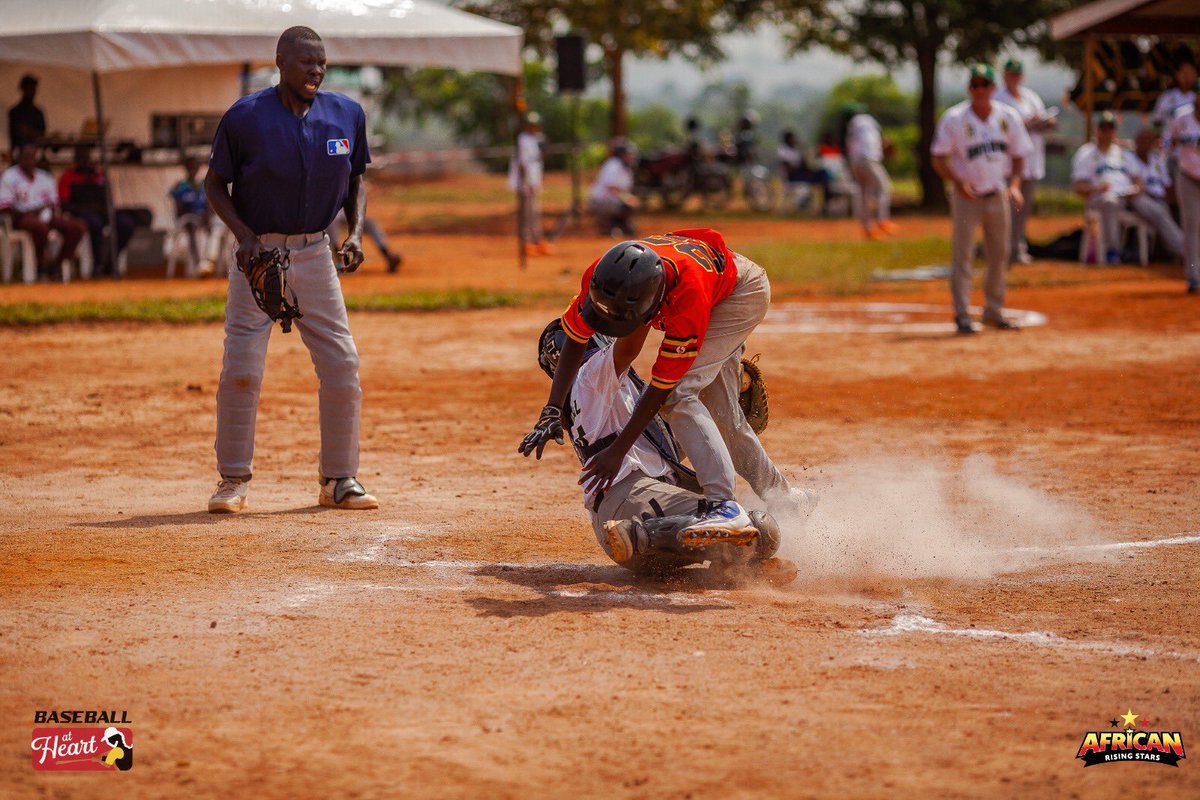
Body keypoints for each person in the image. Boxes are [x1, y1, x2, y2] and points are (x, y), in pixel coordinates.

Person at [519, 229, 816, 535]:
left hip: (736, 294)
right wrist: (552, 408)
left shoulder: (688, 298)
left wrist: (619, 450)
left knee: (679, 394)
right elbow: (576, 335)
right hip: (708, 279)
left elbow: (663, 386)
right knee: (719, 415)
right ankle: (784, 499)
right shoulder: (606, 278)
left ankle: (722, 505)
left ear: (654, 303)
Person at [203, 25, 378, 513]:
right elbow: (214, 184)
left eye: (321, 63)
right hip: (257, 258)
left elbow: (356, 180)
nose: (316, 70)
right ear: (280, 62)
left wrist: (357, 232)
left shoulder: (346, 114)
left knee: (342, 365)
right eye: (306, 62)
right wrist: (243, 237)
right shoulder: (245, 118)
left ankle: (339, 479)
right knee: (241, 369)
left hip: (315, 255)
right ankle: (232, 480)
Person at [534, 319, 798, 582]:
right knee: (756, 525)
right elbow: (628, 348)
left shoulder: (596, 393)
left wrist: (723, 406)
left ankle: (729, 567)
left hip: (633, 511)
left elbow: (673, 436)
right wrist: (646, 300)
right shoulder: (591, 374)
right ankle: (641, 535)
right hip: (635, 504)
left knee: (752, 535)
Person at [932, 64, 1033, 335]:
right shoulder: (955, 118)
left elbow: (1020, 154)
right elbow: (937, 156)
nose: (979, 90)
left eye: (984, 85)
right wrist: (957, 181)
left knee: (1000, 254)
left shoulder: (1007, 117)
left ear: (993, 88)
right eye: (975, 85)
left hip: (997, 193)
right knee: (963, 254)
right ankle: (963, 315)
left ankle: (993, 311)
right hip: (967, 196)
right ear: (969, 89)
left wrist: (1014, 185)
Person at [994, 58, 1057, 265]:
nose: (1014, 77)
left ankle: (1018, 248)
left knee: (1023, 209)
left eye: (1017, 73)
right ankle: (1003, 249)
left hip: (1032, 161)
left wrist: (1045, 122)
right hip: (1009, 164)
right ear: (1005, 75)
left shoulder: (1030, 97)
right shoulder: (998, 98)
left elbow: (1042, 118)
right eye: (1011, 73)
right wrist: (1025, 123)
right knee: (1007, 210)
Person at [0, 144, 86, 280]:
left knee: (78, 227)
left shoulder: (45, 177)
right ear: (19, 158)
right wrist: (30, 212)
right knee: (39, 227)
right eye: (26, 157)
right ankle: (40, 264)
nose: (29, 161)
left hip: (46, 217)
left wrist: (46, 212)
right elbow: (5, 207)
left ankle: (58, 264)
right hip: (21, 218)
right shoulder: (9, 177)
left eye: (32, 157)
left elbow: (54, 204)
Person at [1071, 111, 1143, 265]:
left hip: (1126, 198)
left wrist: (1136, 189)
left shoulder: (1123, 153)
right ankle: (1113, 251)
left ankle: (1153, 250)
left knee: (1154, 206)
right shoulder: (1086, 153)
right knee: (1110, 201)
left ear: (1115, 131)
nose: (1106, 132)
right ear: (1097, 130)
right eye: (1103, 127)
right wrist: (1096, 188)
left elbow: (1138, 179)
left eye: (1110, 128)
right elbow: (1078, 186)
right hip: (1098, 200)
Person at [58, 144, 137, 277]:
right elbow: (64, 204)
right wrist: (86, 208)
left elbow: (109, 200)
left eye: (86, 158)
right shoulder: (68, 176)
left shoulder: (99, 176)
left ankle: (111, 260)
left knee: (126, 223)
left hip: (102, 212)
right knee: (95, 223)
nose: (84, 161)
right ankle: (97, 264)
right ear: (75, 159)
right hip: (80, 213)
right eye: (81, 158)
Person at [1129, 128, 1184, 262]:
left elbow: (1167, 186)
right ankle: (1186, 251)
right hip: (1138, 198)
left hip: (1160, 200)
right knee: (1160, 211)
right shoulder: (1128, 158)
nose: (1144, 143)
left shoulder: (1157, 161)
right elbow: (1137, 185)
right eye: (1142, 139)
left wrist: (1176, 201)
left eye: (1148, 140)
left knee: (1173, 209)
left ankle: (1169, 254)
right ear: (1136, 141)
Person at [843, 103, 896, 239]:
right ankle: (882, 220)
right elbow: (876, 139)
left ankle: (868, 228)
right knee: (883, 187)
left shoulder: (850, 127)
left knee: (866, 194)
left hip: (856, 163)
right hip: (869, 160)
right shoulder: (867, 119)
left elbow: (851, 147)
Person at [169, 154, 227, 276]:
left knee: (221, 227)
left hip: (203, 218)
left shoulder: (203, 185)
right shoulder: (180, 186)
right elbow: (178, 209)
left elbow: (210, 205)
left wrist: (208, 215)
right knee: (191, 225)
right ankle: (198, 263)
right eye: (190, 167)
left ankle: (213, 264)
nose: (192, 170)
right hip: (188, 218)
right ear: (185, 168)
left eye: (194, 167)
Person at [1166, 100, 1200, 292]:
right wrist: (1167, 176)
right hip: (1187, 175)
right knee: (1191, 224)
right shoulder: (1181, 117)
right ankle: (1193, 275)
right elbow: (1168, 144)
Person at [509, 111, 551, 256]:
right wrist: (526, 183)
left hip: (534, 182)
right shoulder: (522, 140)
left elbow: (538, 161)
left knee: (534, 213)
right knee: (527, 213)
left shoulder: (536, 139)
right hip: (526, 183)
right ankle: (526, 243)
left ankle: (537, 241)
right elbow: (523, 164)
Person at [588, 139, 637, 237]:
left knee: (630, 203)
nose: (631, 157)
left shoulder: (627, 168)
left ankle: (620, 226)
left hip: (613, 199)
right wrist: (627, 198)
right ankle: (610, 226)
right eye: (628, 154)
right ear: (621, 155)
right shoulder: (613, 164)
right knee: (628, 203)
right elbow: (611, 186)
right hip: (600, 200)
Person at [777, 130, 829, 212]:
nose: (794, 140)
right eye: (792, 138)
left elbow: (805, 166)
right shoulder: (783, 151)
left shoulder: (796, 151)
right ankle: (804, 202)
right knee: (820, 176)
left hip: (802, 174)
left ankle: (826, 203)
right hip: (792, 176)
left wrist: (803, 152)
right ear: (787, 139)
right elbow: (788, 167)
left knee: (823, 173)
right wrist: (798, 167)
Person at [1152, 55, 1197, 133]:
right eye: (1185, 73)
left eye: (1191, 73)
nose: (1188, 77)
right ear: (1177, 75)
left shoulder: (1197, 98)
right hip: (1169, 141)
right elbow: (1157, 122)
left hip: (1193, 142)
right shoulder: (1167, 97)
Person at [8, 74, 46, 154]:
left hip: (35, 154)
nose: (31, 92)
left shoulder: (38, 112)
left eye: (33, 89)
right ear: (23, 89)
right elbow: (20, 132)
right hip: (20, 155)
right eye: (28, 89)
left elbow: (42, 135)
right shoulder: (15, 112)